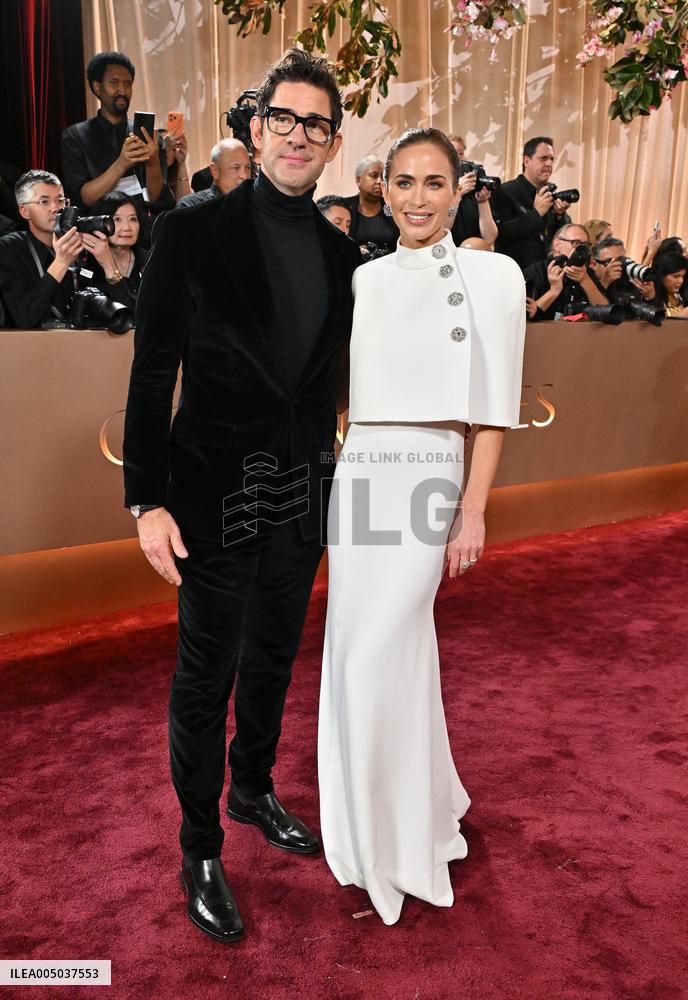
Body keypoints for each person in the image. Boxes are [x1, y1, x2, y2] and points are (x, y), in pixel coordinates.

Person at [122, 48, 359, 944]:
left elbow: (333, 386)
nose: (299, 136)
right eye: (284, 119)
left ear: (332, 145)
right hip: (210, 497)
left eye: (317, 125)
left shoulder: (347, 256)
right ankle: (200, 844)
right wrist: (147, 499)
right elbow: (151, 378)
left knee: (272, 660)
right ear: (257, 130)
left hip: (302, 495)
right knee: (204, 675)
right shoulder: (192, 232)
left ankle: (254, 787)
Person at [318, 127, 526, 926]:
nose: (415, 198)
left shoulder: (494, 276)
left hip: (431, 467)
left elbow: (494, 412)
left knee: (385, 645)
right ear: (383, 186)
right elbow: (340, 389)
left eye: (434, 183)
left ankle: (402, 836)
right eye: (402, 181)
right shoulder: (363, 280)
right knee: (360, 646)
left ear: (459, 186)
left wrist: (473, 509)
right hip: (363, 469)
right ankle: (375, 825)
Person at [61, 51, 174, 229]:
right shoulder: (75, 136)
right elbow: (83, 198)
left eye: (127, 84)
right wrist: (122, 164)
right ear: (96, 87)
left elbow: (156, 198)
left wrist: (152, 162)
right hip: (98, 231)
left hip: (143, 229)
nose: (122, 90)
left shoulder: (148, 135)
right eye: (114, 83)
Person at [0, 170, 83, 328]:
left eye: (60, 201)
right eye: (44, 202)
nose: (55, 208)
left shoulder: (76, 244)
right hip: (29, 348)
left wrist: (106, 262)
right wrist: (61, 262)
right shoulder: (9, 248)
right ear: (24, 212)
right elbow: (25, 317)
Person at [494, 136, 572, 271]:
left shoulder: (550, 193)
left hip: (547, 274)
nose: (549, 164)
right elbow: (501, 233)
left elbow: (563, 238)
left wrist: (560, 216)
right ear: (526, 161)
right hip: (515, 272)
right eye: (543, 158)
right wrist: (537, 214)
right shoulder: (505, 191)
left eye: (551, 159)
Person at [523, 223, 608, 321]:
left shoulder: (587, 273)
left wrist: (585, 281)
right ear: (557, 244)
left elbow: (606, 312)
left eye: (585, 245)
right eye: (576, 243)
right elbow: (525, 316)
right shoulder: (536, 271)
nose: (581, 250)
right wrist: (554, 291)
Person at [80, 192, 147, 312]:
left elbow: (136, 317)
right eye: (117, 219)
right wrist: (107, 264)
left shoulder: (151, 261)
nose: (127, 227)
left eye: (133, 219)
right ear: (100, 223)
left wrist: (109, 266)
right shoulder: (86, 265)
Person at [344, 154, 398, 252]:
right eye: (374, 175)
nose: (380, 181)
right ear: (358, 180)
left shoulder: (394, 209)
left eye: (383, 177)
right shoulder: (344, 207)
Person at [177, 139, 251, 208]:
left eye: (247, 167)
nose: (245, 176)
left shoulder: (255, 205)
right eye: (236, 168)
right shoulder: (190, 206)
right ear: (215, 171)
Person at [589, 236, 655, 306]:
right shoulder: (587, 284)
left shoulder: (629, 281)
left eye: (621, 260)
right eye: (609, 262)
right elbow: (592, 312)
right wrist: (605, 282)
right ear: (593, 264)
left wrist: (649, 297)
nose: (617, 265)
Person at [650, 252, 688, 316]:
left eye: (683, 277)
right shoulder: (652, 297)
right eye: (676, 276)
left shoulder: (681, 296)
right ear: (661, 276)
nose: (681, 281)